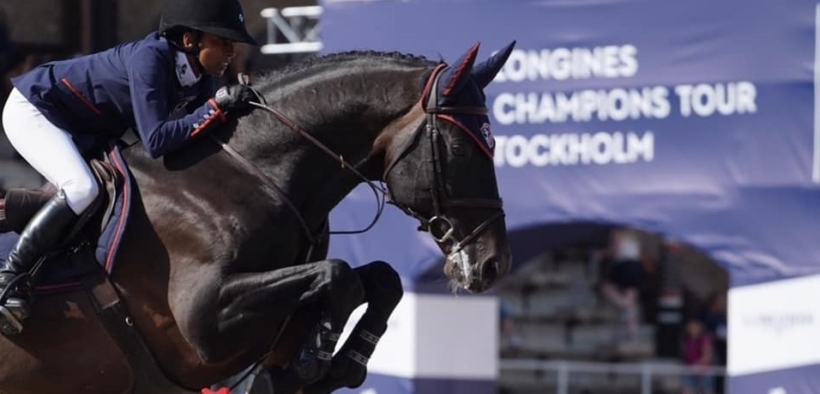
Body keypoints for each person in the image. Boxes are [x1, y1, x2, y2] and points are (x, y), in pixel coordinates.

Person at [0, 0, 261, 335]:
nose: (231, 50)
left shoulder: (201, 79)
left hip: (86, 129)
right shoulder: (150, 58)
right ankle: (10, 275)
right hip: (37, 110)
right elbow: (156, 140)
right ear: (189, 40)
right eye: (223, 41)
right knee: (82, 189)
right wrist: (217, 107)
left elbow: (194, 139)